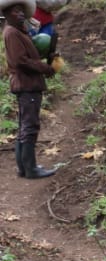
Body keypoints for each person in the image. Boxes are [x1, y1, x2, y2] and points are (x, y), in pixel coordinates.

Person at [4, 0, 57, 179]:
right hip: (26, 84)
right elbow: (21, 61)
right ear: (7, 13)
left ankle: (24, 168)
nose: (19, 14)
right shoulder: (12, 32)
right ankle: (31, 169)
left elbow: (29, 53)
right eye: (15, 11)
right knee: (30, 126)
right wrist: (45, 68)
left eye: (21, 11)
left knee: (25, 126)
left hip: (27, 83)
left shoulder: (19, 31)